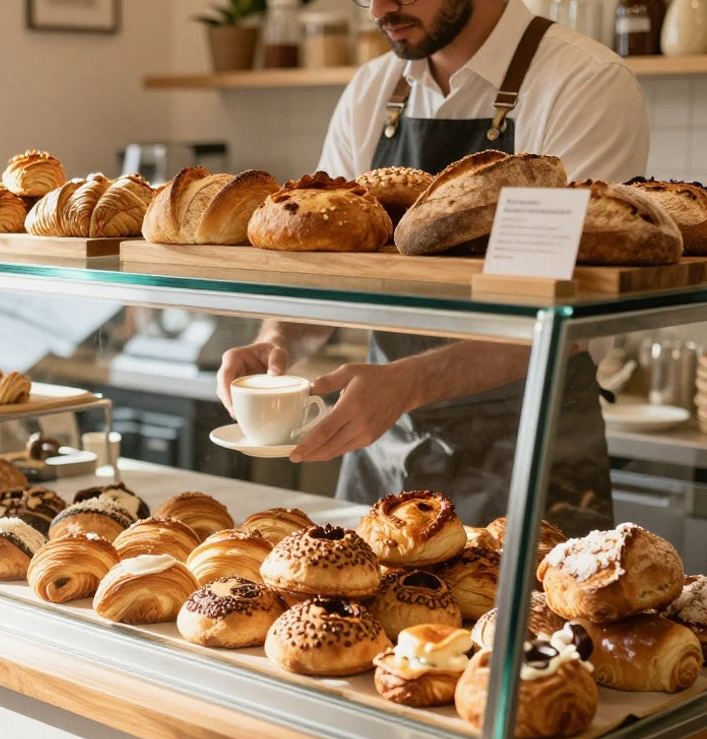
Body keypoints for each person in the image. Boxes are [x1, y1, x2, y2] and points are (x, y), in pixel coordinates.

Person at [217, 0, 650, 535]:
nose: (379, 8)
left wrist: (407, 383)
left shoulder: (583, 84)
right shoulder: (373, 89)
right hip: (383, 448)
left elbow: (569, 309)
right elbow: (329, 267)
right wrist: (278, 339)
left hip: (529, 452)